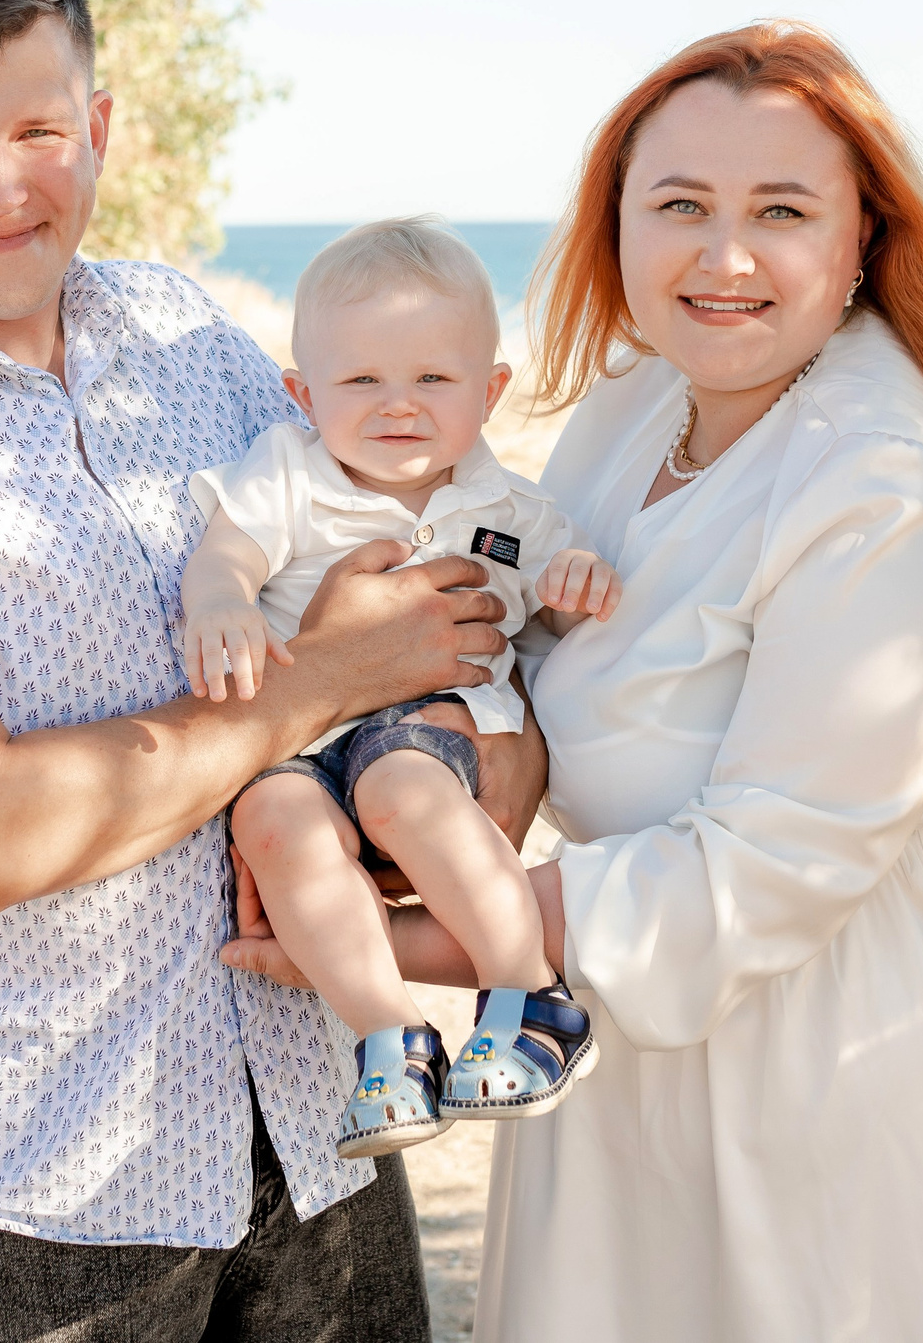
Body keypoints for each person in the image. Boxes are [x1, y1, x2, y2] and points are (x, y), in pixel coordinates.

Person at [227, 22, 923, 1341]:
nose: (723, 254)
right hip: (619, 1041)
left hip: (853, 1048)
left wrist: (369, 942)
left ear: (863, 238)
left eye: (782, 210)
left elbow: (770, 862)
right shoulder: (632, 408)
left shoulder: (889, 476)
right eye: (677, 203)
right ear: (615, 226)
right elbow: (515, 663)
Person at [0, 0, 544, 1343]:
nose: (2, 183)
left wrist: (458, 766)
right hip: (55, 1166)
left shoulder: (187, 335)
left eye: (37, 127)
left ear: (96, 127)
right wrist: (330, 677)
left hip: (321, 1104)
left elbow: (429, 607)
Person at [180, 217, 619, 1160]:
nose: (399, 404)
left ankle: (528, 996)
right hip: (301, 733)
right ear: (304, 392)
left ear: (491, 390)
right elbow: (228, 552)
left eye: (432, 378)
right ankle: (392, 1037)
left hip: (434, 727)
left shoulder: (509, 509)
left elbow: (553, 594)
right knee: (272, 826)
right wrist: (221, 601)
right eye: (361, 380)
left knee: (399, 788)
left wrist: (573, 581)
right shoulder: (288, 473)